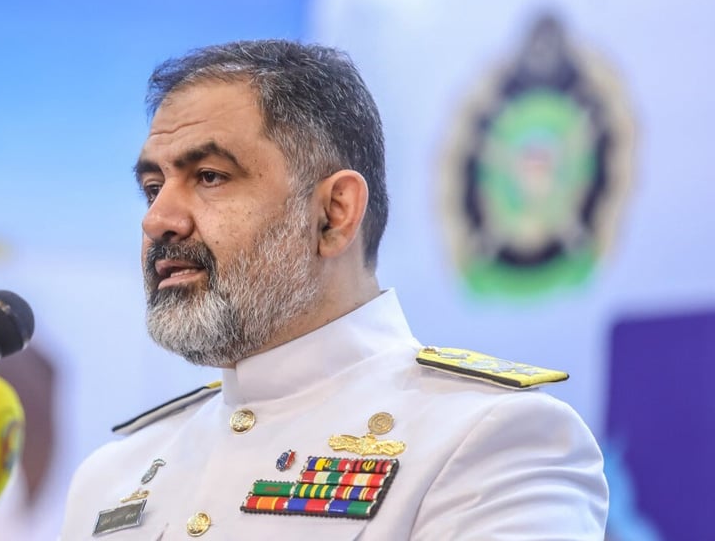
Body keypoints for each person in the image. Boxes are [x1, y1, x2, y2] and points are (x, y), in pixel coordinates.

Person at [60, 40, 608, 539]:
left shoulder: (490, 438)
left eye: (209, 176)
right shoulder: (113, 475)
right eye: (152, 187)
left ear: (333, 213)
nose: (158, 220)